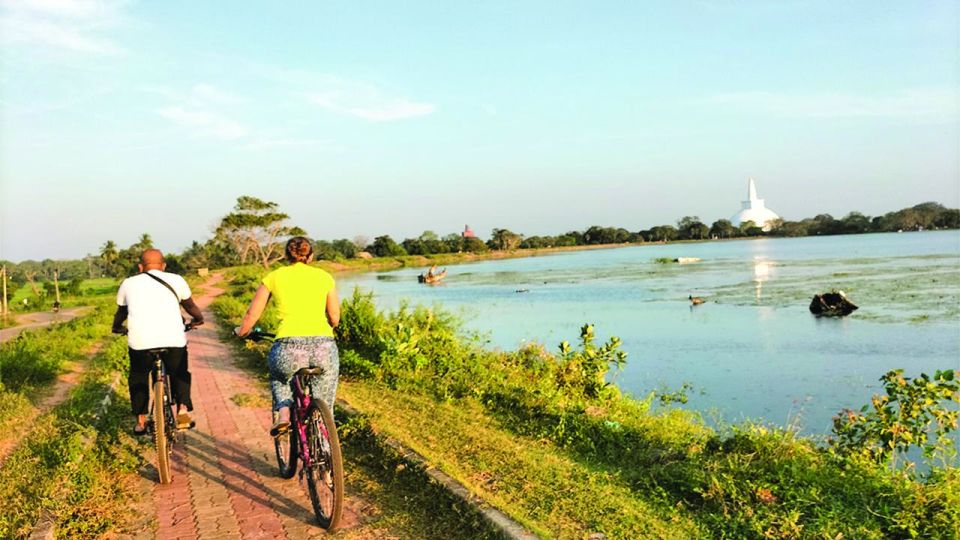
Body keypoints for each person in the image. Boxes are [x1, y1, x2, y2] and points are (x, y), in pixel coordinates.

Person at [234, 236, 340, 436]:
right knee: (324, 400)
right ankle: (325, 445)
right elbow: (334, 316)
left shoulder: (274, 277)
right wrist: (330, 326)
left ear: (286, 255)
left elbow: (252, 314)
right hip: (324, 347)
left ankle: (283, 414)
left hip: (288, 347)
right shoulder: (324, 277)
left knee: (280, 379)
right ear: (311, 255)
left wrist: (241, 332)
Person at [112, 249, 203, 435]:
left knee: (138, 375)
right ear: (163, 265)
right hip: (173, 340)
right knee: (179, 372)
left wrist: (117, 327)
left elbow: (121, 312)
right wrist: (198, 319)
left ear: (140, 267)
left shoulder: (128, 283)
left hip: (140, 343)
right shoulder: (176, 280)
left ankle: (141, 421)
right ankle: (183, 410)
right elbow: (190, 306)